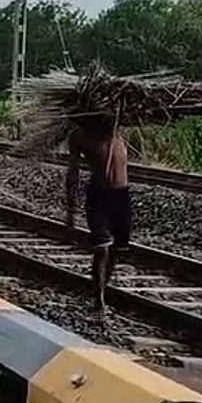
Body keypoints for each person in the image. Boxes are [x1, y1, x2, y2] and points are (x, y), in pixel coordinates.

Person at [64, 115, 130, 312]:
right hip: (99, 195)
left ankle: (103, 286)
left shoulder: (116, 129)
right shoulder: (80, 136)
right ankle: (98, 298)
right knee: (102, 247)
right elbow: (73, 173)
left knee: (119, 249)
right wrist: (71, 210)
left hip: (122, 195)